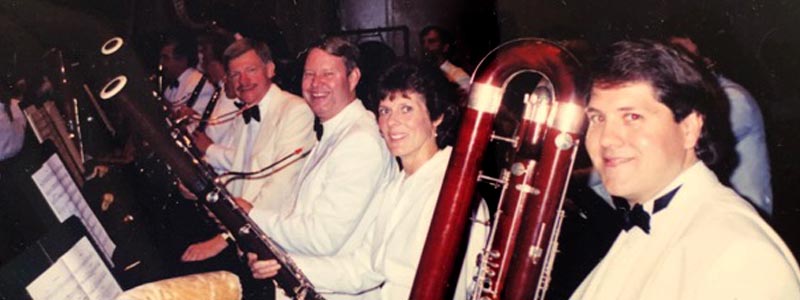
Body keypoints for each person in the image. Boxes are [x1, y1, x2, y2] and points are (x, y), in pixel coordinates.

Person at [571, 39, 800, 299]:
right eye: (597, 118)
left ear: (689, 128)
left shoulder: (738, 252)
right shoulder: (650, 218)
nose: (606, 139)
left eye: (632, 117)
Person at [250, 62, 488, 299]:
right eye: (385, 110)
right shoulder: (397, 187)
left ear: (436, 117)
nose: (392, 122)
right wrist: (283, 263)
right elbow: (363, 269)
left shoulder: (453, 189)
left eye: (406, 108)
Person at [242, 36, 395, 260]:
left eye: (328, 74)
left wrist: (253, 216)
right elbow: (298, 212)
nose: (315, 84)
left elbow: (322, 237)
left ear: (353, 78)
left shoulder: (360, 142)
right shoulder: (335, 131)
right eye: (309, 74)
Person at [181, 38, 317, 262]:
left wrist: (223, 239)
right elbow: (240, 175)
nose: (243, 81)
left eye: (251, 70)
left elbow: (279, 190)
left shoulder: (295, 111)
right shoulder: (245, 113)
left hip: (276, 245)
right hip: (245, 239)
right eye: (235, 74)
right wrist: (199, 186)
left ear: (270, 69)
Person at [668, 35, 773, 215]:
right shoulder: (692, 98)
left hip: (742, 217)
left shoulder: (732, 99)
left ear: (708, 60)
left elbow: (685, 151)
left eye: (685, 55)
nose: (677, 64)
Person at [159, 32, 216, 127]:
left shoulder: (202, 86)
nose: (161, 63)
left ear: (182, 60)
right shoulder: (170, 88)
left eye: (166, 58)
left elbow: (197, 125)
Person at [419, 26, 471, 94]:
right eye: (423, 42)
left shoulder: (457, 74)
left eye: (431, 41)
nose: (425, 46)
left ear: (445, 47)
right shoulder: (420, 71)